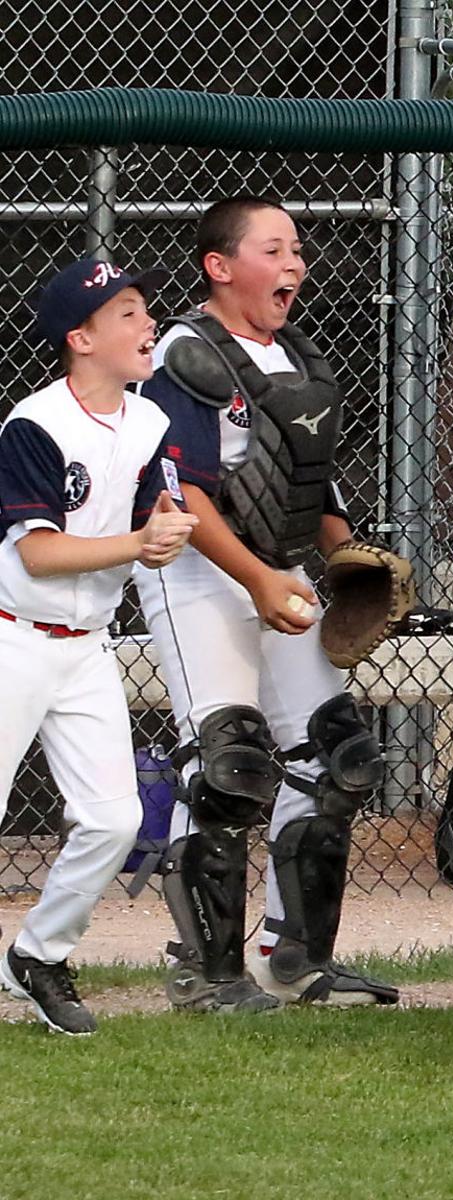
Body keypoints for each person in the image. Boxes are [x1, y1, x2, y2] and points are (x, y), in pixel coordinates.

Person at [134, 196, 400, 1011]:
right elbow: (180, 500)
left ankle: (297, 958)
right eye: (274, 249)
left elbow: (305, 482)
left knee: (338, 755)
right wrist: (256, 579)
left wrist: (346, 560)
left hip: (274, 569)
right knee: (229, 763)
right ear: (220, 266)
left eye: (297, 250)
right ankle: (203, 973)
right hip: (196, 570)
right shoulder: (186, 354)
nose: (295, 264)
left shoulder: (297, 358)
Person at [0, 258, 198, 1033]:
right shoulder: (34, 424)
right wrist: (140, 541)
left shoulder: (149, 421)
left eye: (145, 308)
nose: (147, 322)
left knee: (114, 820)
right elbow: (38, 554)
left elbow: (161, 511)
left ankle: (40, 953)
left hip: (87, 645)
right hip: (13, 637)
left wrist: (170, 527)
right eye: (125, 314)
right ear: (80, 339)